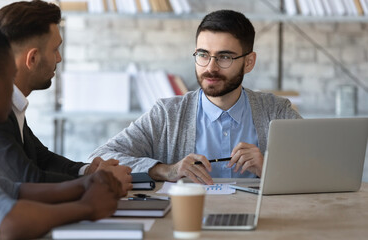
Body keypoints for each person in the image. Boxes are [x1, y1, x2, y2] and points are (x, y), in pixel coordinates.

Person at [0, 21, 123, 240]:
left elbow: (13, 191)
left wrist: (83, 184)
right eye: (11, 78)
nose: (15, 89)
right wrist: (87, 208)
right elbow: (6, 225)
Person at [89, 10, 302, 185]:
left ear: (249, 62)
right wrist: (166, 170)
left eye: (224, 57)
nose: (211, 68)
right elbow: (99, 158)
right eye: (203, 55)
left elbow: (322, 168)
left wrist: (268, 169)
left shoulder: (277, 111)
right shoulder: (167, 114)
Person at [0, 0, 132, 193]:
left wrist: (87, 171)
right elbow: (28, 181)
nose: (59, 58)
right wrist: (102, 182)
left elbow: (42, 158)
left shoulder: (11, 103)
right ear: (33, 59)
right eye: (55, 49)